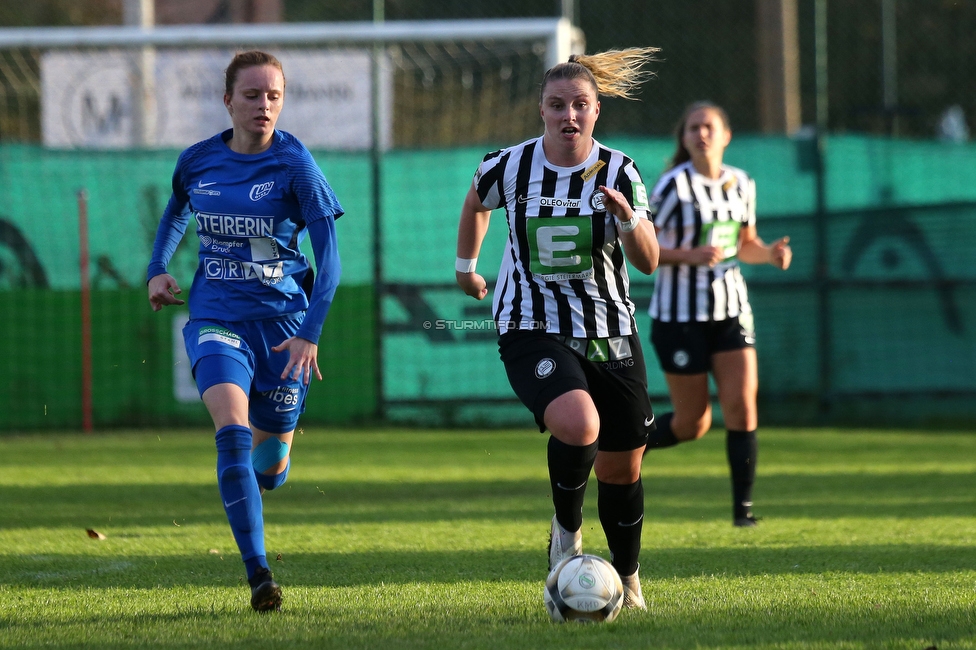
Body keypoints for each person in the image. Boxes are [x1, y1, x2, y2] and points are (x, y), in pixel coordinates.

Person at [455, 48, 661, 610]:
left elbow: (649, 260)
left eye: (580, 105)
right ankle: (566, 533)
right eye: (556, 105)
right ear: (541, 110)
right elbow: (477, 200)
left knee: (623, 467)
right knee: (578, 422)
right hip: (530, 323)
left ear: (596, 112)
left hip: (608, 328)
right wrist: (465, 268)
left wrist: (629, 217)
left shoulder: (619, 170)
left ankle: (629, 577)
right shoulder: (508, 165)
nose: (568, 115)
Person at [146, 50, 343, 612]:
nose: (264, 105)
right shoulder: (198, 160)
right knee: (231, 430)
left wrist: (310, 331)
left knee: (269, 470)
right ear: (227, 100)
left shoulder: (295, 162)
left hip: (284, 327)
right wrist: (158, 268)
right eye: (252, 95)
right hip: (216, 316)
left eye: (273, 96)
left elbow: (329, 260)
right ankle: (260, 576)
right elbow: (176, 211)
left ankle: (273, 458)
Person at [642, 101, 791, 527]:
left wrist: (771, 255)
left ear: (726, 135)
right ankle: (620, 448)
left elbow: (745, 243)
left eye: (709, 127)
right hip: (678, 317)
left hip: (731, 312)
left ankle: (743, 512)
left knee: (743, 407)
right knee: (693, 423)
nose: (701, 134)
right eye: (693, 128)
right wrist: (689, 255)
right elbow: (644, 250)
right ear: (684, 138)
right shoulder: (672, 186)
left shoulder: (742, 183)